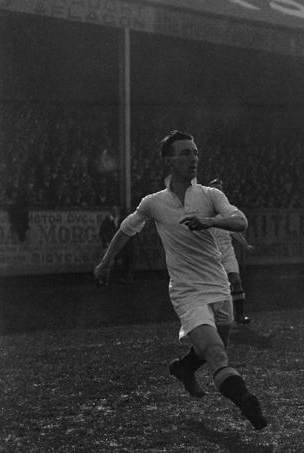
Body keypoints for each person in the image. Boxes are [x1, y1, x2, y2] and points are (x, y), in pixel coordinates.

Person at [93, 130, 267, 431]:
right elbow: (126, 229)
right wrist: (106, 261)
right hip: (187, 291)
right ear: (168, 161)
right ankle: (247, 401)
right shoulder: (154, 203)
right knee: (215, 352)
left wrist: (210, 221)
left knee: (212, 347)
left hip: (217, 284)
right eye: (185, 153)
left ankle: (183, 368)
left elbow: (241, 221)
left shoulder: (211, 196)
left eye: (195, 152)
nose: (193, 158)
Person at [207, 179, 256, 324]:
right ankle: (212, 318)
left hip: (228, 252)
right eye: (215, 189)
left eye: (220, 189)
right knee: (215, 288)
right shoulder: (204, 210)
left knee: (236, 280)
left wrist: (246, 246)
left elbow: (235, 232)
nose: (218, 191)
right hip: (212, 254)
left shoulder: (228, 209)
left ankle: (240, 316)